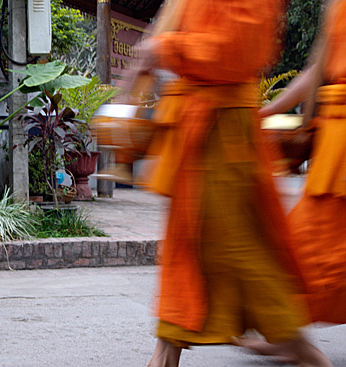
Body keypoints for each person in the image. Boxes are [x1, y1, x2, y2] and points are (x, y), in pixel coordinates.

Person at [129, 0, 333, 366]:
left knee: (239, 252)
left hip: (224, 134)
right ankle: (164, 357)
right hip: (199, 129)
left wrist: (166, 48)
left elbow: (234, 48)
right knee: (188, 251)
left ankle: (305, 353)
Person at [233, 0, 346, 361]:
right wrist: (268, 111)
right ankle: (284, 328)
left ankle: (284, 330)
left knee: (314, 247)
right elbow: (318, 68)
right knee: (305, 245)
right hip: (336, 139)